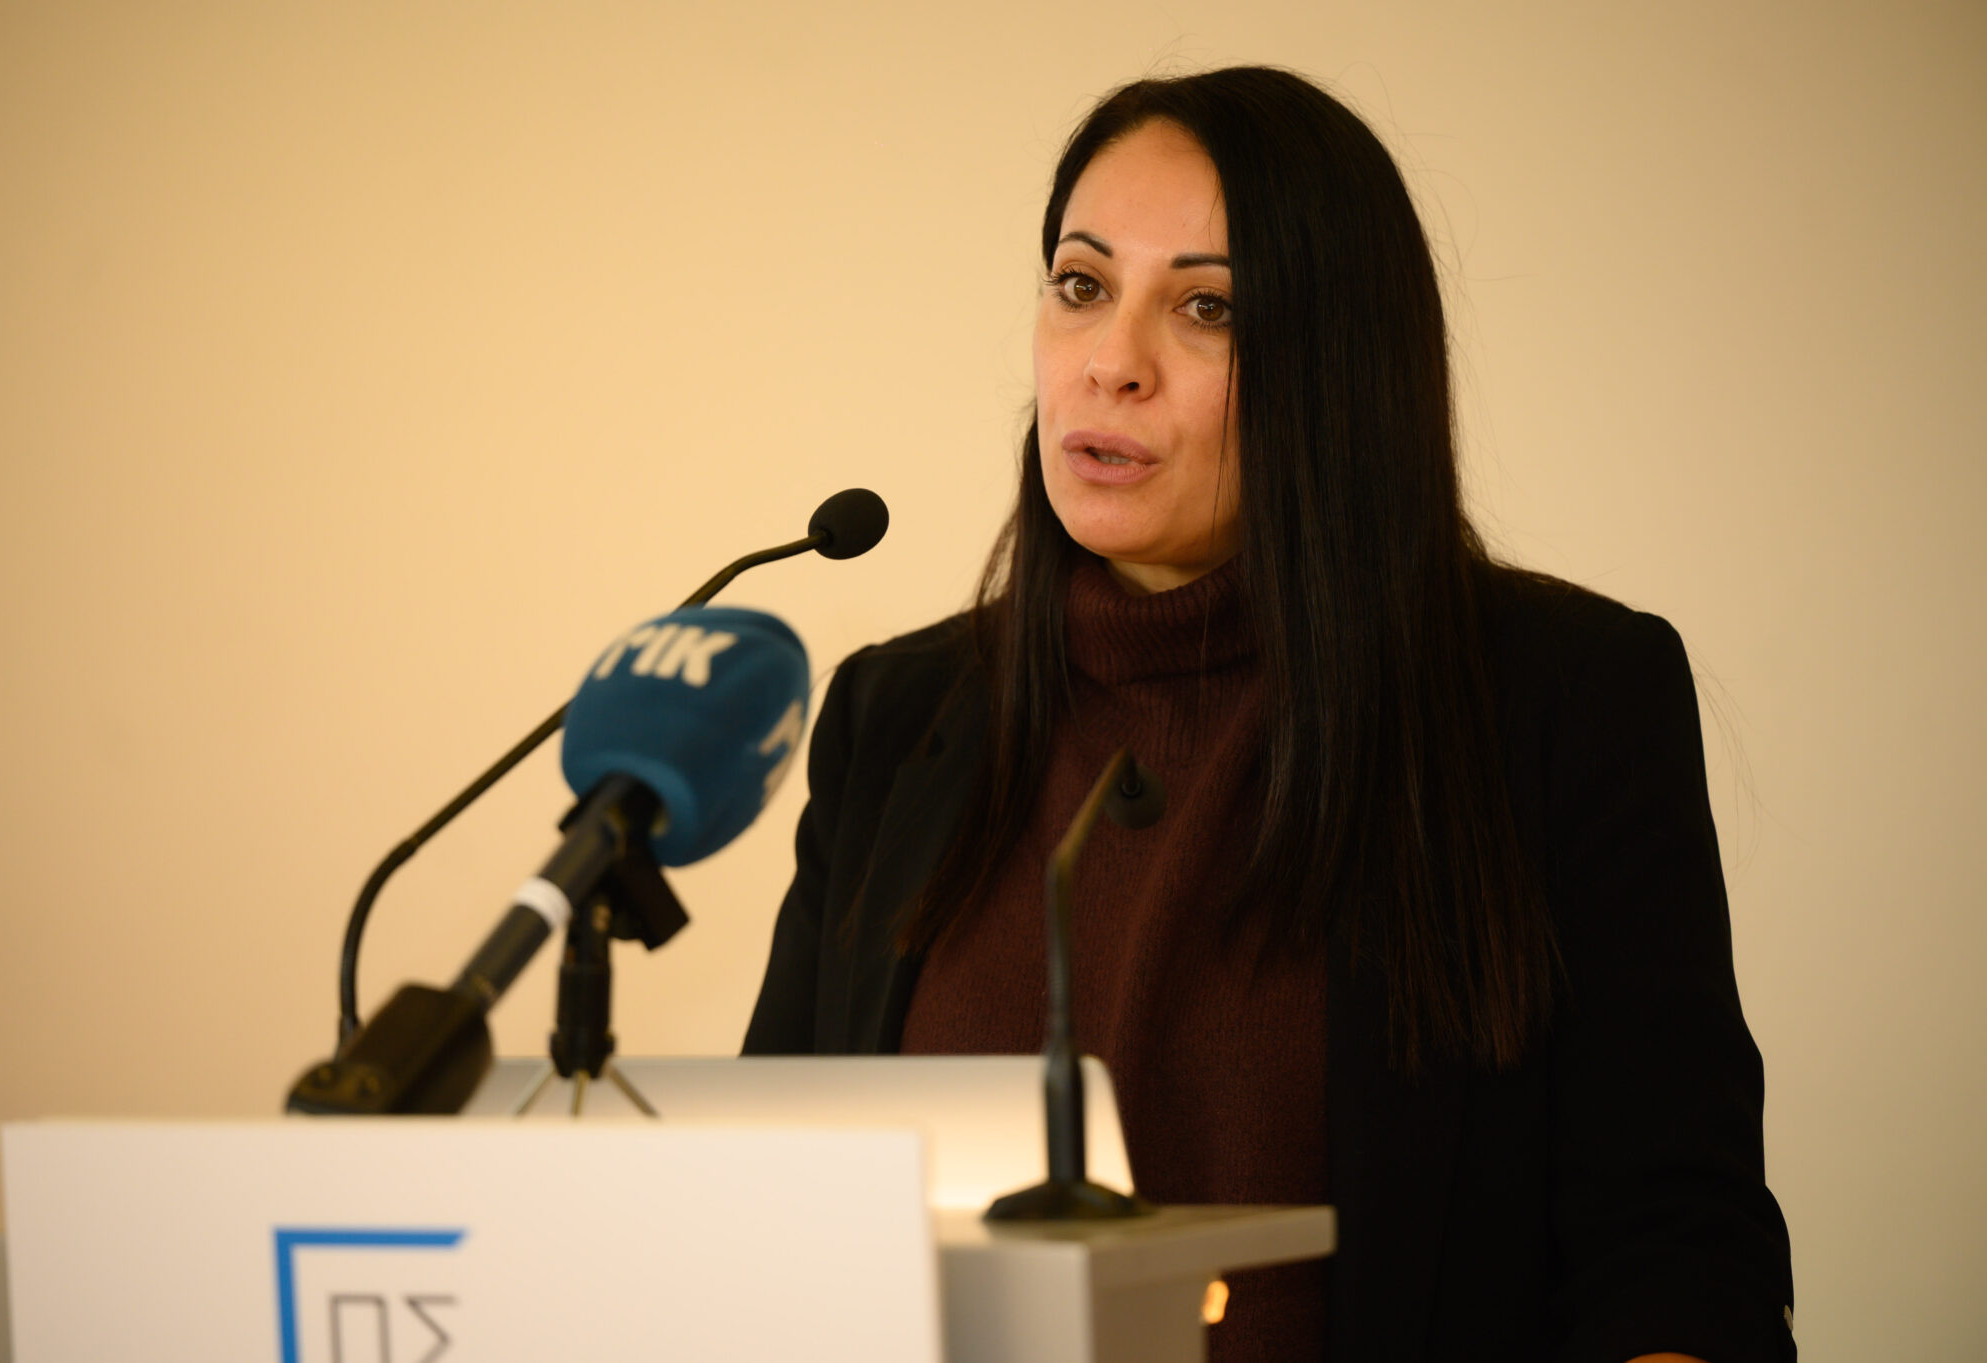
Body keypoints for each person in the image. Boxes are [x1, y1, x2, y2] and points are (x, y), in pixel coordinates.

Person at [743, 66, 1794, 1362]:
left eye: (1208, 308)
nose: (1111, 364)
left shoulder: (1560, 701)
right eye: (1081, 285)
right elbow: (767, 1214)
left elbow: (1676, 1262)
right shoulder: (896, 717)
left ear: (1339, 365)